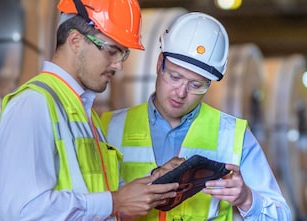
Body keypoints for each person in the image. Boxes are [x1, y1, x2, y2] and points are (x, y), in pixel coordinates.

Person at [0, 0, 181, 220]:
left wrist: (153, 183)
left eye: (123, 54)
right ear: (75, 41)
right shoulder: (33, 104)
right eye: (112, 51)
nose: (119, 65)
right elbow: (23, 211)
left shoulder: (86, 113)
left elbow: (99, 201)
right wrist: (115, 201)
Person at [101, 12, 292, 220]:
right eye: (175, 77)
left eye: (196, 85)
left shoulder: (232, 135)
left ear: (209, 84)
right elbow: (87, 208)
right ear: (159, 64)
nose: (181, 93)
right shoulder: (109, 127)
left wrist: (246, 198)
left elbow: (281, 216)